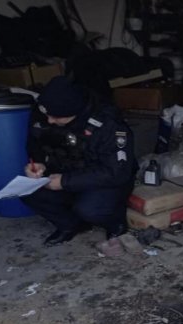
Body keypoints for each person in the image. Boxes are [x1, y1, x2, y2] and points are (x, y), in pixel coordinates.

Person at [22, 76, 137, 246]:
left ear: (75, 112)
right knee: (27, 191)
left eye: (57, 117)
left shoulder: (109, 124)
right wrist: (38, 164)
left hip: (101, 177)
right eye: (48, 115)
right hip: (63, 169)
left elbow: (116, 172)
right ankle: (70, 225)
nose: (50, 120)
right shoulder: (45, 111)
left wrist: (64, 182)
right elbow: (35, 143)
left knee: (90, 209)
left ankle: (115, 224)